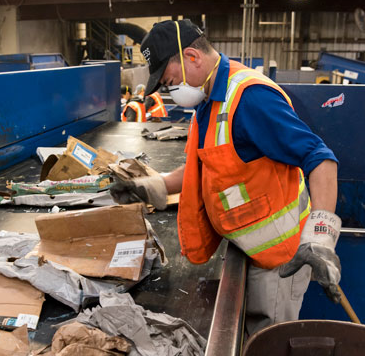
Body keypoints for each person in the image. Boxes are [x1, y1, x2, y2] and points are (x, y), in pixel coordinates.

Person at [111, 19, 341, 335]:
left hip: (280, 261)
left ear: (192, 57)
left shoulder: (249, 99)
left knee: (264, 350)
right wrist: (153, 186)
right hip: (247, 248)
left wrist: (321, 237)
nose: (170, 90)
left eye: (170, 81)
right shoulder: (209, 98)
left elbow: (321, 159)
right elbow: (205, 167)